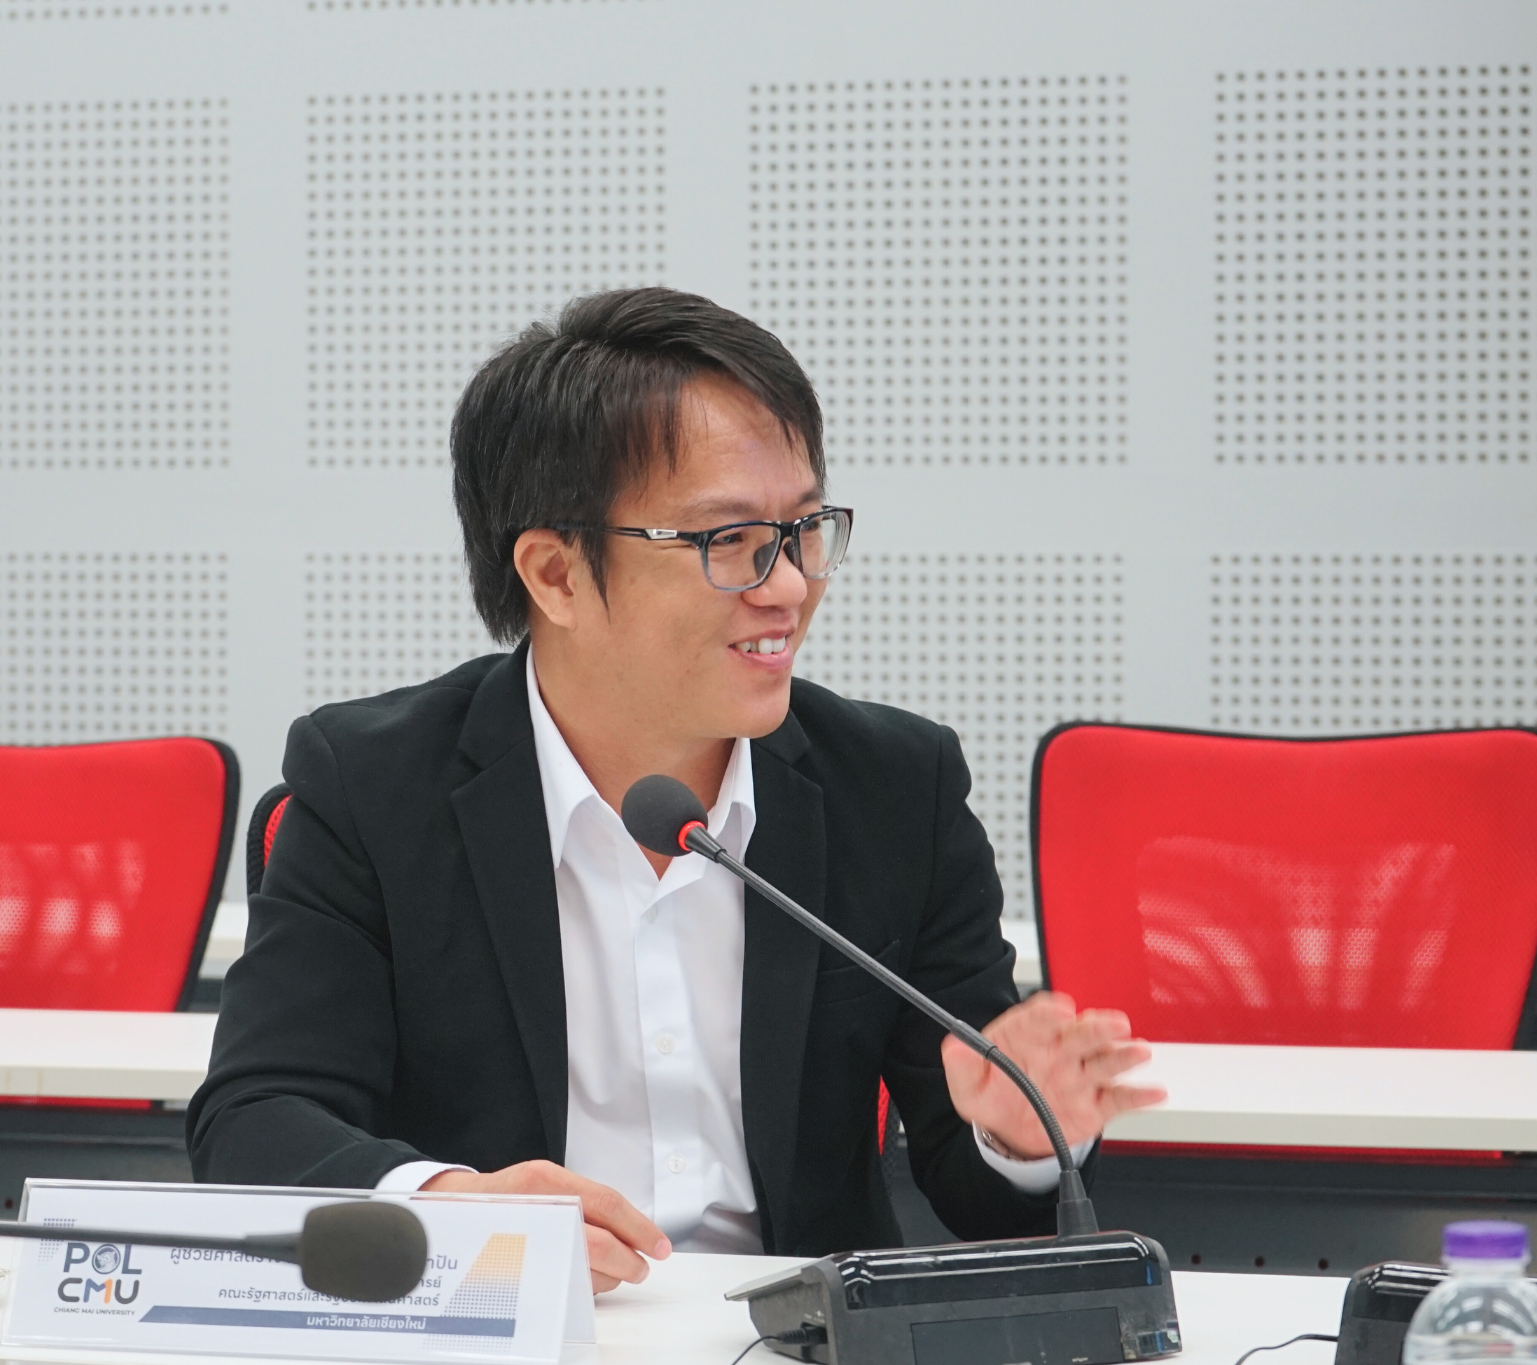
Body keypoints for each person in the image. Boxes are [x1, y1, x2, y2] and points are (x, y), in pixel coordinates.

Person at [188, 287, 1164, 1292]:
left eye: (803, 528)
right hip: (513, 1325)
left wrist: (1018, 1135)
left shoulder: (892, 789)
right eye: (726, 542)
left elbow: (981, 1189)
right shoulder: (374, 786)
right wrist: (449, 1206)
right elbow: (255, 1119)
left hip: (793, 1338)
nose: (788, 586)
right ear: (556, 575)